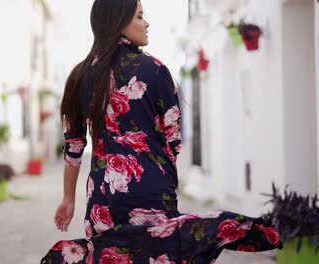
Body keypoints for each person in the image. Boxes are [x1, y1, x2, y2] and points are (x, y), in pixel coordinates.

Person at [42, 0, 282, 263]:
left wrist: (68, 198)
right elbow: (173, 139)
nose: (146, 23)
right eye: (140, 16)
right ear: (119, 22)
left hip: (103, 197)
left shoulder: (80, 76)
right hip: (153, 191)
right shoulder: (154, 70)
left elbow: (73, 148)